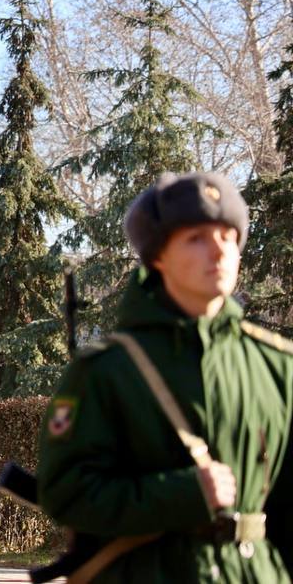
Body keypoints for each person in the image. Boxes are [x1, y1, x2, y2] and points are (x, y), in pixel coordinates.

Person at [36, 172, 293, 583]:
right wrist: (180, 495)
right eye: (196, 238)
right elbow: (66, 493)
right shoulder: (106, 369)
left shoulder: (278, 365)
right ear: (157, 257)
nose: (219, 250)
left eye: (228, 237)